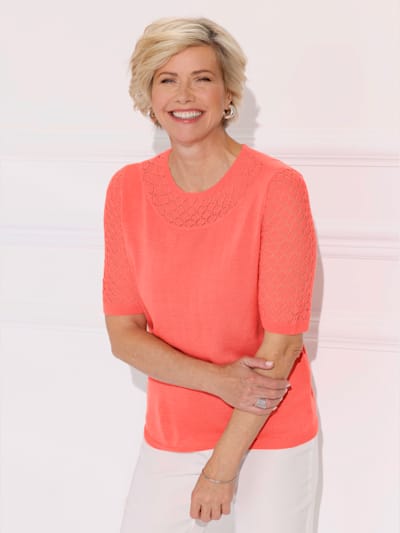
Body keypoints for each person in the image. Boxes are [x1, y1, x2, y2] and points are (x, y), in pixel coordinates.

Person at [103, 17, 319, 533]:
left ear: (228, 93)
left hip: (268, 434)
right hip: (172, 434)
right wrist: (219, 381)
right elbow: (124, 335)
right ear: (148, 95)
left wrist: (220, 471)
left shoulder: (277, 187)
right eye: (167, 79)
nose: (184, 95)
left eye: (202, 78)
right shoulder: (127, 189)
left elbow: (282, 345)